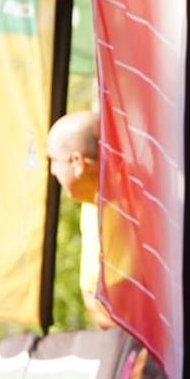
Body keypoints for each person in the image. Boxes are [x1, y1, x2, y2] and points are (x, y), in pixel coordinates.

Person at [45, 110, 116, 329]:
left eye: (54, 160)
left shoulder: (132, 211)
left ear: (78, 162)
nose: (52, 170)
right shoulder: (89, 204)